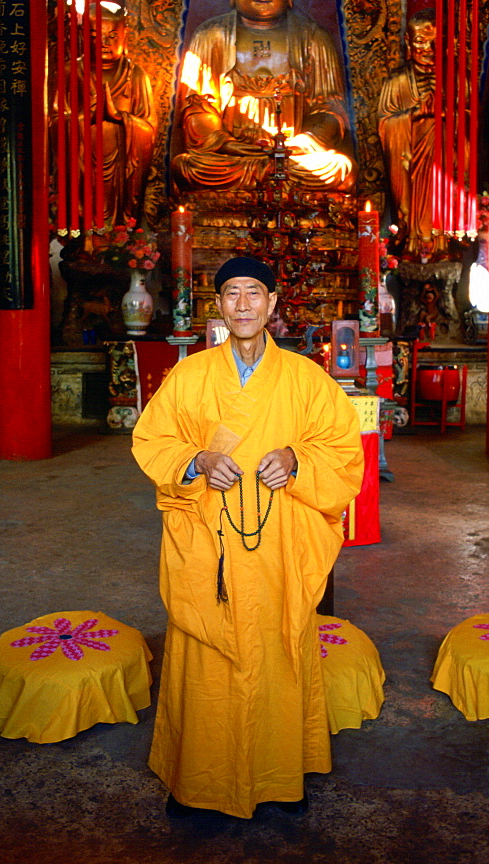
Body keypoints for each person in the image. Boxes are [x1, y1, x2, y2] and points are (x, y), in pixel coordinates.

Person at [132, 256, 364, 819]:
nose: (242, 305)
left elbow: (342, 450)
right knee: (206, 655)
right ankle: (196, 780)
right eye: (231, 294)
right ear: (217, 307)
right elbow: (151, 439)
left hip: (278, 542)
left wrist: (296, 460)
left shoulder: (307, 378)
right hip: (207, 540)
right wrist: (196, 461)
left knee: (277, 648)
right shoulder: (189, 376)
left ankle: (281, 776)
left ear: (273, 305)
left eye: (253, 294)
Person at [171, 0, 357, 193]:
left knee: (340, 168)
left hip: (294, 158)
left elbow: (331, 109)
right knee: (187, 166)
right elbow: (197, 107)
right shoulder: (210, 36)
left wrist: (302, 143)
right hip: (232, 157)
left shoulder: (314, 38)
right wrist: (224, 142)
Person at [54, 5, 157, 226]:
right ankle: (83, 234)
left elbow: (149, 128)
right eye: (95, 35)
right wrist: (86, 117)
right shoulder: (71, 72)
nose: (104, 43)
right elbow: (54, 122)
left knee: (121, 223)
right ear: (82, 35)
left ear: (125, 36)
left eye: (112, 36)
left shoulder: (136, 76)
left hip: (122, 171)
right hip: (84, 167)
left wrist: (120, 118)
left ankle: (123, 233)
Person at [377, 8, 445, 257]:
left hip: (443, 163)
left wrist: (446, 115)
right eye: (420, 41)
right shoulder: (397, 81)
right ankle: (409, 233)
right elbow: (385, 124)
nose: (428, 48)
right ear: (408, 41)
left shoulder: (458, 79)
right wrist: (414, 116)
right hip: (408, 165)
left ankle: (442, 238)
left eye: (436, 42)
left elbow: (472, 126)